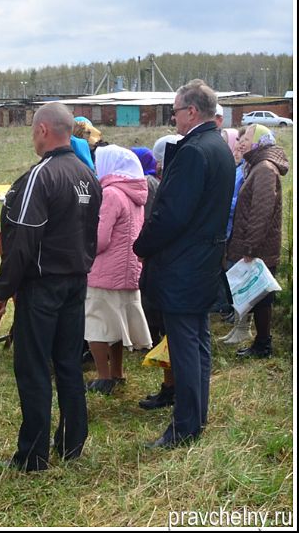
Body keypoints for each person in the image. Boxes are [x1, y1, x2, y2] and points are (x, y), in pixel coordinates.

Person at [0, 102, 100, 471]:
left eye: (32, 130)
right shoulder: (88, 174)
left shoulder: (42, 175)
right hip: (77, 283)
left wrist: (2, 289)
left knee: (34, 368)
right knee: (68, 364)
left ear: (42, 130)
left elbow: (23, 240)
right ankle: (72, 444)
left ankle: (33, 455)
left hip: (43, 287)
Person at [132, 80, 236, 449]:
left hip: (184, 263)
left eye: (174, 111)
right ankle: (196, 416)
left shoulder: (194, 151)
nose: (173, 117)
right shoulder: (220, 147)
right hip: (204, 259)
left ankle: (185, 427)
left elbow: (172, 214)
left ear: (192, 111)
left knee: (185, 344)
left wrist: (141, 245)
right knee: (198, 342)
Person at [83, 145, 152, 395]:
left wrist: (82, 238)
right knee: (118, 326)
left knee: (96, 326)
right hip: (128, 271)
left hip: (104, 272)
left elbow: (101, 239)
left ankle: (103, 377)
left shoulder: (111, 194)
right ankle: (118, 373)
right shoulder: (134, 195)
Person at [225, 123, 287, 358]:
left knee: (261, 298)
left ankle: (263, 345)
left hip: (259, 247)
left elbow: (261, 210)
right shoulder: (257, 166)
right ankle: (260, 343)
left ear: (260, 141)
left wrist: (250, 246)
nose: (243, 141)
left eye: (248, 137)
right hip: (256, 245)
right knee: (259, 297)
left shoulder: (264, 169)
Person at [137, 133, 182, 412]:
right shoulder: (169, 185)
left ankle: (172, 388)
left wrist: (142, 247)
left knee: (169, 333)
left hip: (167, 270)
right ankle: (170, 386)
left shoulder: (169, 189)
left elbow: (156, 226)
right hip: (168, 270)